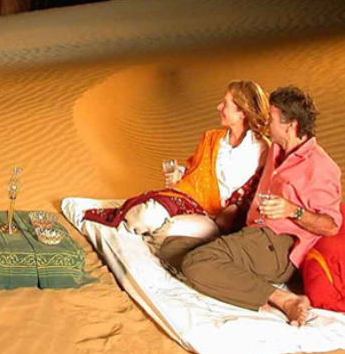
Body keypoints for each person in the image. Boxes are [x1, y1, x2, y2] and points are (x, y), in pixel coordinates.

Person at [160, 86, 342, 326]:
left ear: (291, 126)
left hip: (279, 246)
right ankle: (243, 282)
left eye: (271, 119)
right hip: (253, 234)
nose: (266, 123)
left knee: (197, 263)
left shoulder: (320, 166)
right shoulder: (275, 151)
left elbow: (331, 226)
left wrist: (293, 210)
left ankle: (283, 300)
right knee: (171, 248)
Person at [84, 80, 270, 237]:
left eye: (226, 104)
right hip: (189, 198)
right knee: (144, 217)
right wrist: (179, 174)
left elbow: (256, 190)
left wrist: (234, 208)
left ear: (242, 112)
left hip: (219, 217)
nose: (219, 107)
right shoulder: (212, 138)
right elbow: (195, 172)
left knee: (169, 231)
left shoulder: (262, 149)